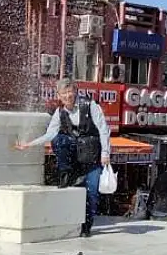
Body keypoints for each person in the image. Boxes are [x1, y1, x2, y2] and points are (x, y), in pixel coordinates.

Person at [17, 78, 111, 237]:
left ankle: (86, 226)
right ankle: (65, 172)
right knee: (58, 139)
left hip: (92, 157)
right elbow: (50, 134)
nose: (68, 95)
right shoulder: (59, 112)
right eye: (64, 93)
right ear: (59, 96)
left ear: (75, 91)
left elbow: (103, 129)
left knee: (92, 193)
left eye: (70, 91)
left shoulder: (90, 106)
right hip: (75, 158)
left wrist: (105, 153)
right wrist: (29, 144)